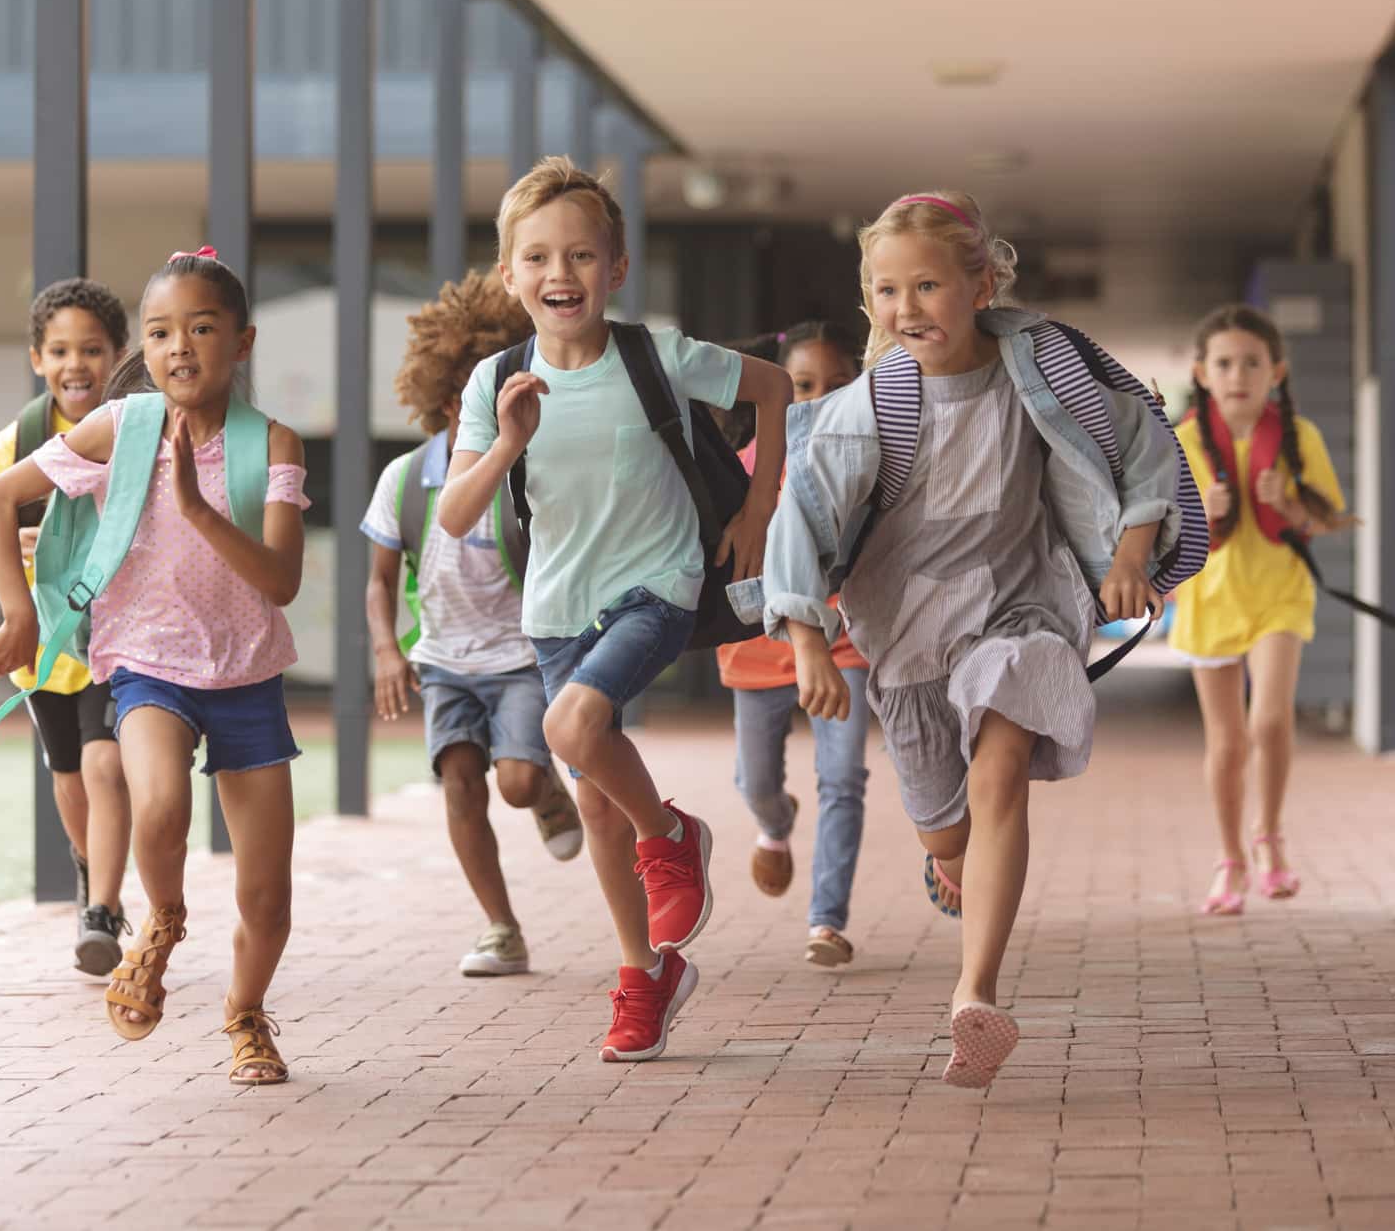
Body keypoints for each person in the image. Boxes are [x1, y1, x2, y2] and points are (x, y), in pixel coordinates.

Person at [753, 191, 1204, 1088]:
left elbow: (1143, 444)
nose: (906, 308)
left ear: (981, 282)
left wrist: (1129, 551)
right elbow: (796, 517)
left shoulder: (1046, 371)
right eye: (886, 291)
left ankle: (975, 995)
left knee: (1000, 772)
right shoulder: (865, 406)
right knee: (946, 833)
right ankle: (951, 859)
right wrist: (806, 640)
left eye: (927, 284)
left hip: (1022, 607)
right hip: (907, 636)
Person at [441, 156, 794, 1062]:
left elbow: (773, 388)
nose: (561, 275)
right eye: (538, 259)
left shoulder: (657, 355)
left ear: (617, 267)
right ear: (511, 274)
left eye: (582, 256)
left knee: (571, 724)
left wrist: (758, 508)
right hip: (556, 606)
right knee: (594, 803)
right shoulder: (495, 383)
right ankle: (646, 974)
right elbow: (453, 512)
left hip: (659, 583)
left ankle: (672, 836)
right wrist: (507, 441)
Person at [0, 249, 306, 1085]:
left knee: (267, 898)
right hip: (146, 669)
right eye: (159, 332)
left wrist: (196, 507)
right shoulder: (120, 428)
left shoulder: (270, 443)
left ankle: (246, 1017)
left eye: (201, 328)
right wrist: (20, 613)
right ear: (144, 352)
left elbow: (281, 579)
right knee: (157, 802)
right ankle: (160, 921)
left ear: (241, 341)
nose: (178, 346)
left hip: (247, 679)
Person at [363, 268, 586, 980]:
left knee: (514, 782)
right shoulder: (403, 479)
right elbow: (376, 583)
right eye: (460, 391)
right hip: (443, 662)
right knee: (459, 780)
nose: (471, 404)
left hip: (519, 657)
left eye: (487, 389)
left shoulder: (527, 474)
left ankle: (546, 792)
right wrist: (385, 652)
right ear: (440, 393)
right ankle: (500, 927)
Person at [0, 277, 132, 975]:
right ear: (37, 358)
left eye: (91, 349)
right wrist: (14, 545)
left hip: (119, 634)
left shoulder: (132, 427)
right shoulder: (21, 439)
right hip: (43, 642)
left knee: (104, 761)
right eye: (59, 350)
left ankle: (103, 909)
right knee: (68, 774)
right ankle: (91, 868)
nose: (76, 364)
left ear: (117, 354)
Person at [1170, 305, 1351, 916]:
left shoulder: (1302, 439)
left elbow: (1327, 521)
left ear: (1277, 370)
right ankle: (1231, 861)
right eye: (1224, 363)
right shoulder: (1184, 440)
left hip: (1279, 592)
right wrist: (1202, 506)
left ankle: (1270, 836)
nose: (1237, 374)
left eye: (1251, 362)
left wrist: (1291, 505)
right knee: (1226, 742)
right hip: (1209, 598)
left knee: (1269, 722)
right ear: (1202, 372)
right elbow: (1160, 531)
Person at [715, 322, 872, 967]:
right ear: (772, 393)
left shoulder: (870, 459)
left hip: (842, 640)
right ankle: (775, 824)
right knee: (757, 782)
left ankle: (826, 921)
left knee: (843, 778)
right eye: (802, 385)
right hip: (755, 645)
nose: (818, 397)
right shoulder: (739, 469)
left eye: (838, 385)